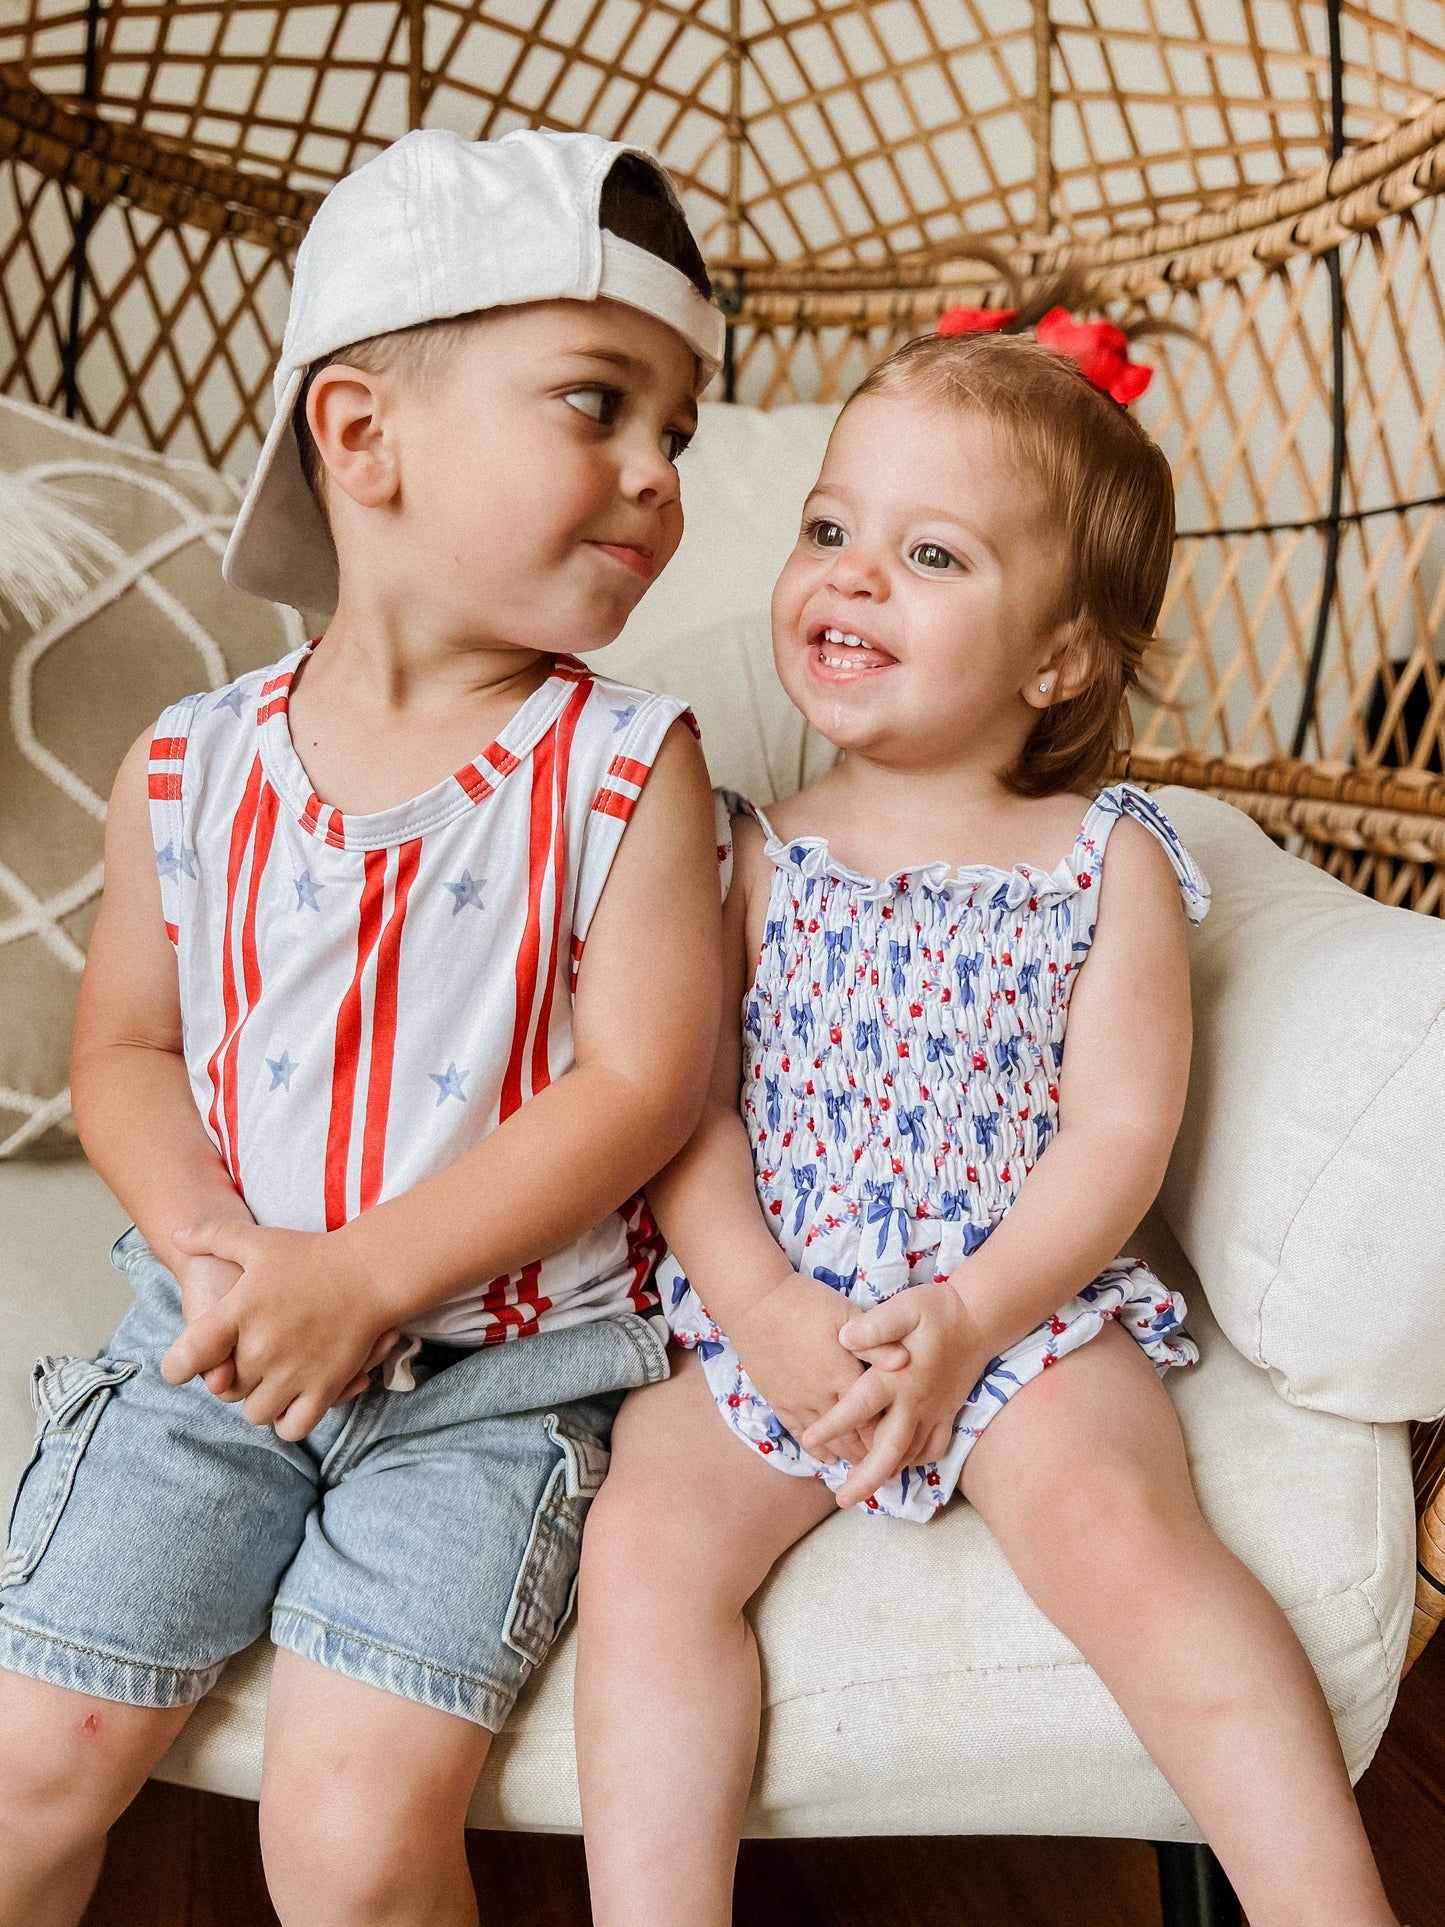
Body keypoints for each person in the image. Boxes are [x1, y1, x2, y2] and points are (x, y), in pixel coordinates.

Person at [574, 329, 1400, 1927]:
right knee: (648, 1555)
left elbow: (1115, 1136)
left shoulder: (1109, 858)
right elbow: (684, 1110)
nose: (851, 576)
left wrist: (967, 1318)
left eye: (928, 553)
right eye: (828, 529)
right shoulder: (738, 853)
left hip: (1013, 1304)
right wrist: (763, 1308)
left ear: (1057, 661)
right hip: (776, 1301)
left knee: (1124, 1538)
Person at [0, 127, 724, 1927]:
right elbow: (129, 1056)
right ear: (360, 432)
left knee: (348, 1843)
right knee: (27, 1758)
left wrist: (370, 1279)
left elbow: (648, 1082)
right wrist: (235, 1261)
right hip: (219, 1348)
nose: (656, 477)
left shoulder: (624, 767)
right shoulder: (187, 765)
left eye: (680, 436)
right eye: (597, 404)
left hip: (487, 1391)